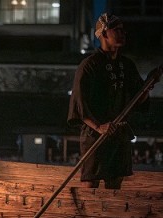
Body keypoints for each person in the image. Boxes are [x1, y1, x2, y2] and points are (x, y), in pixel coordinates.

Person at [67, 13, 160, 189]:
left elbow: (138, 100)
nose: (122, 33)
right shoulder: (89, 65)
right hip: (95, 136)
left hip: (119, 134)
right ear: (103, 34)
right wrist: (99, 127)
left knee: (115, 188)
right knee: (91, 187)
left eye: (123, 30)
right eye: (116, 30)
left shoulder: (127, 65)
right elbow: (79, 105)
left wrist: (148, 85)